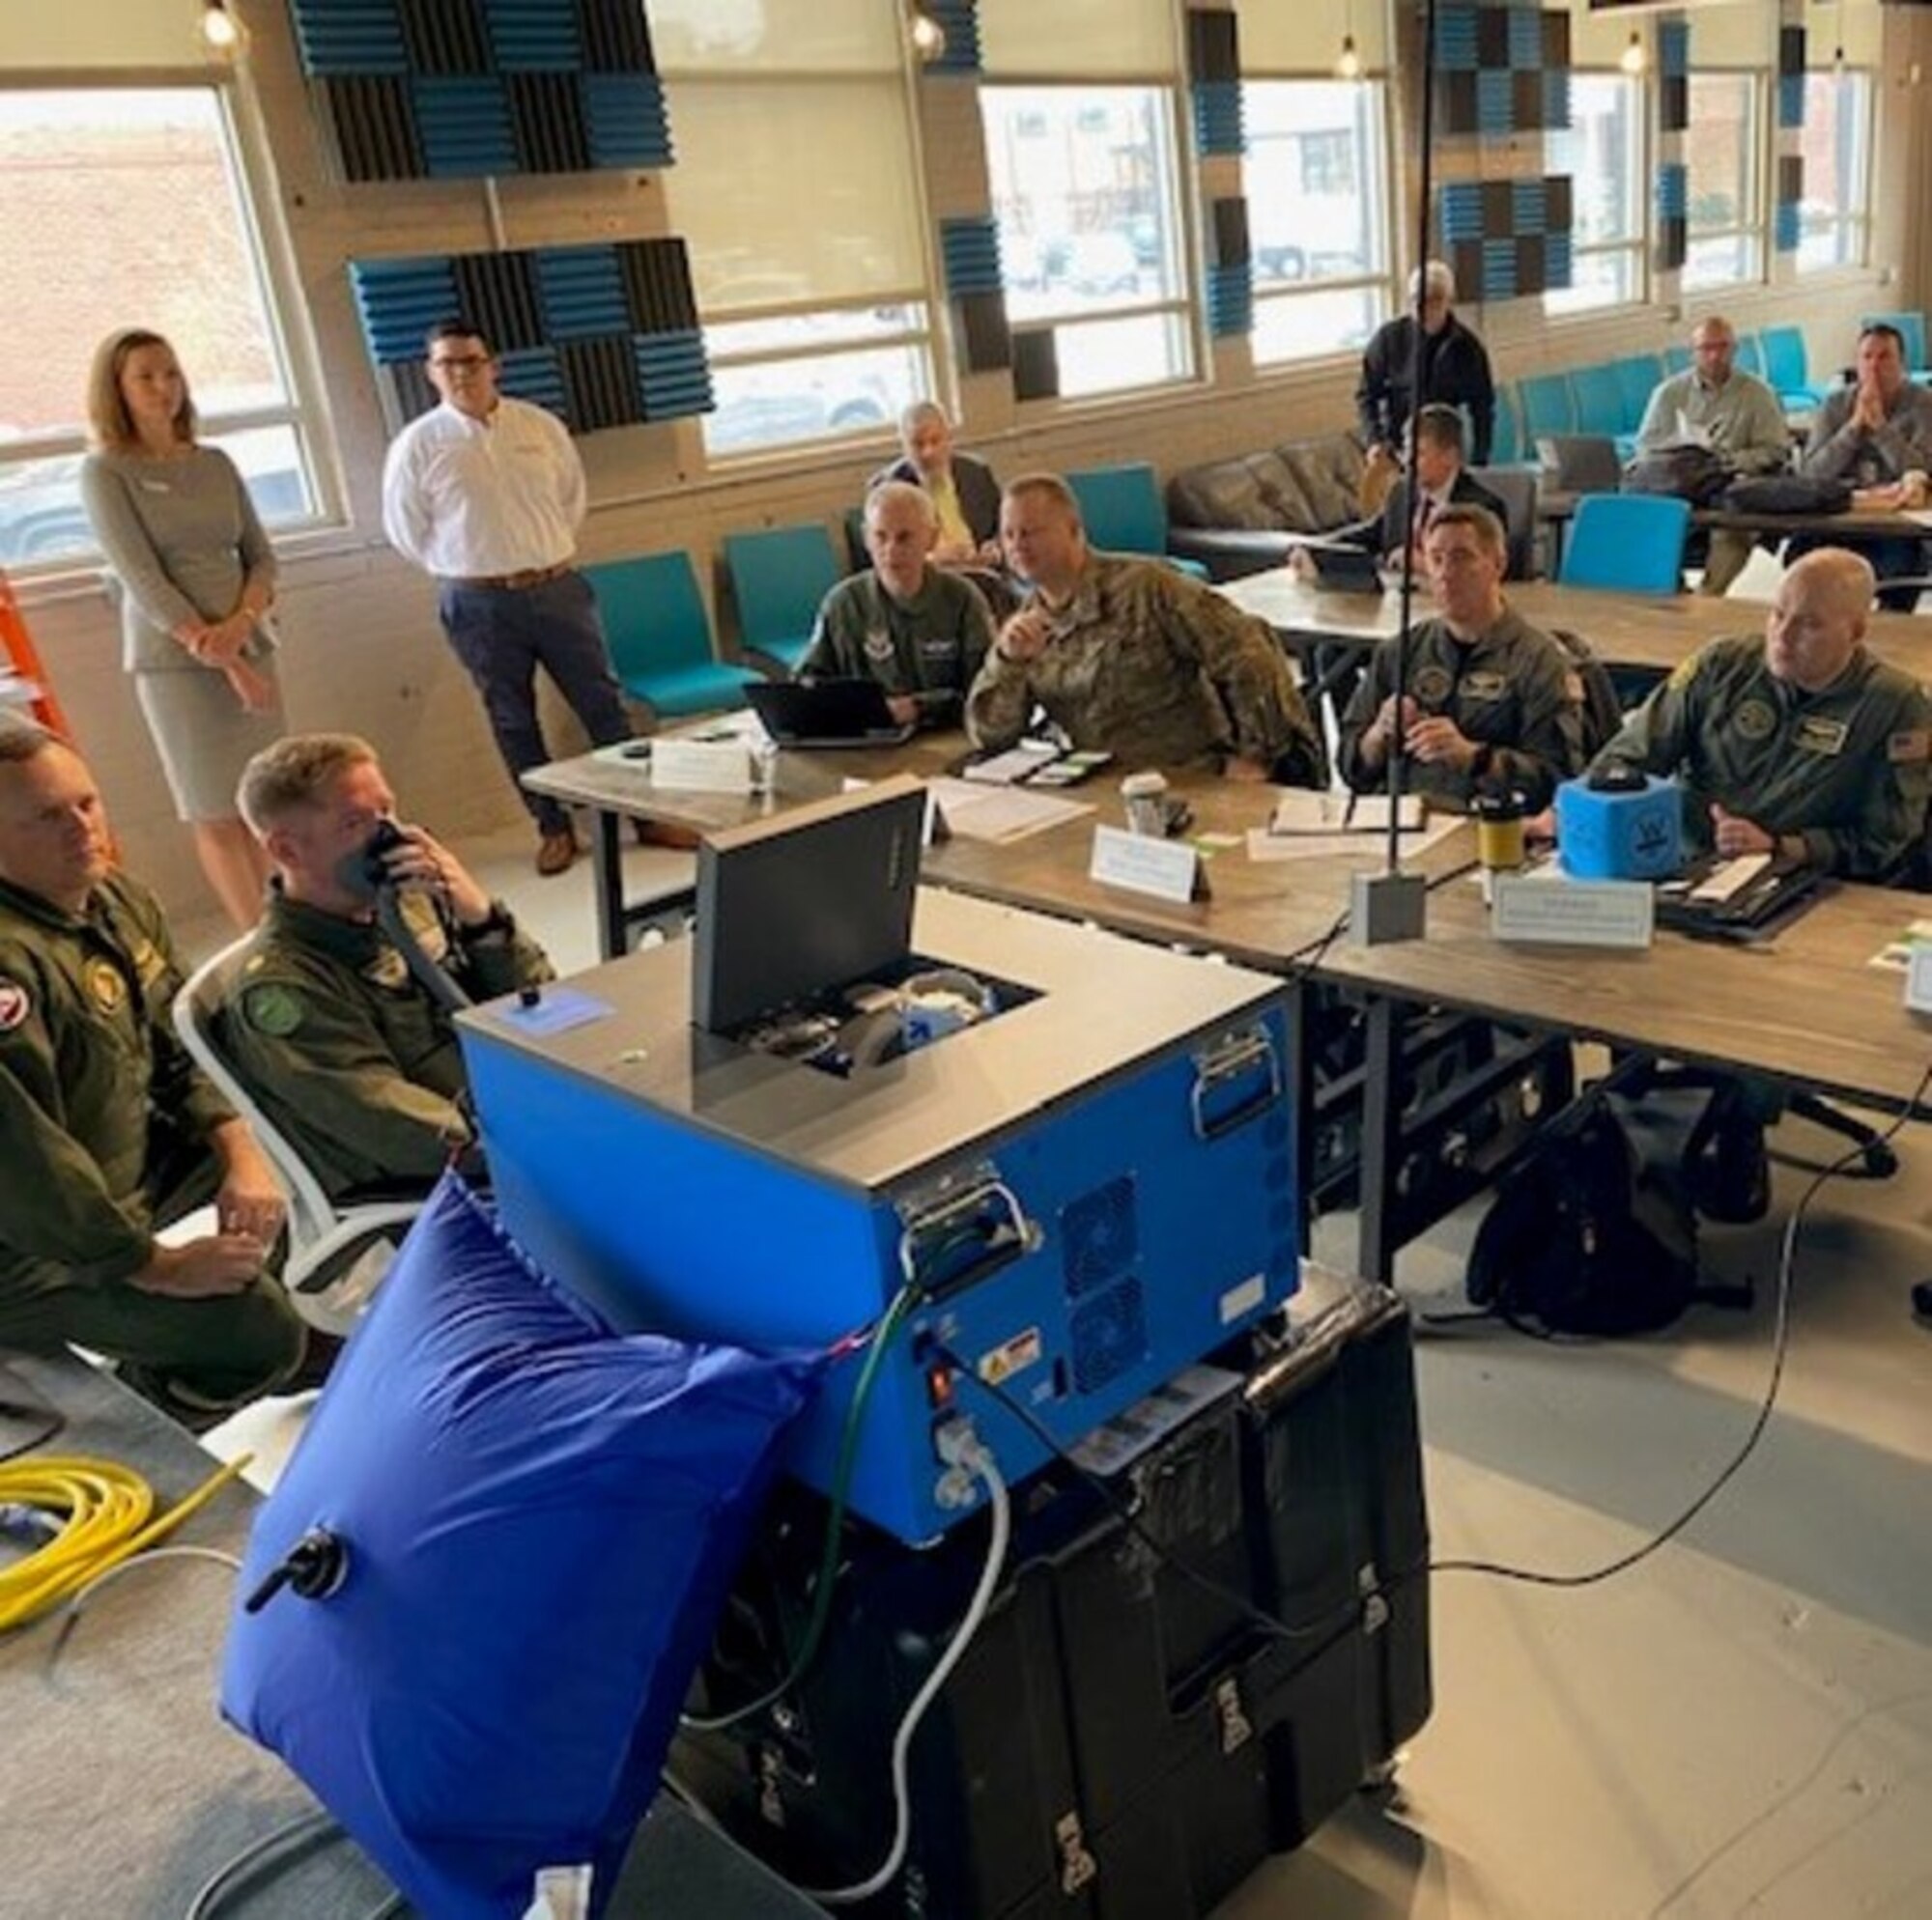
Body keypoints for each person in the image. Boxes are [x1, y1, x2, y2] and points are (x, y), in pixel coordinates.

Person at [0, 720, 306, 1426]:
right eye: (48, 816)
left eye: (87, 803)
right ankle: (127, 1433)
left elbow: (180, 1046)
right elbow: (27, 1166)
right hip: (25, 1240)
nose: (82, 828)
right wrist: (153, 1266)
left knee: (301, 1164)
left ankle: (285, 1356)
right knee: (252, 1329)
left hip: (123, 1171)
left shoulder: (112, 901)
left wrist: (241, 1151)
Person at [223, 733, 554, 1202]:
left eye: (388, 810)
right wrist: (544, 1147)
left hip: (521, 1116)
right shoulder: (286, 990)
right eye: (356, 823)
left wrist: (483, 922)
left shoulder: (407, 904)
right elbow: (401, 1131)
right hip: (476, 1183)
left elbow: (545, 1008)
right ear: (288, 852)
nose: (391, 836)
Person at [381, 319, 633, 877]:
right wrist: (469, 567)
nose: (461, 373)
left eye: (471, 361)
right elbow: (407, 530)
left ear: (494, 365)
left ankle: (644, 817)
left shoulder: (539, 427)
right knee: (513, 720)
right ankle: (553, 827)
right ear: (430, 373)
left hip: (558, 587)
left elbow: (570, 499)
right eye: (447, 364)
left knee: (603, 705)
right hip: (478, 604)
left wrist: (538, 556)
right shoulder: (418, 445)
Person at [79, 329, 284, 932]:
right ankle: (261, 942)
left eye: (171, 373)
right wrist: (224, 657)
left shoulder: (214, 462)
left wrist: (243, 625)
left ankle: (293, 924)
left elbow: (262, 558)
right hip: (177, 661)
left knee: (269, 805)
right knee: (216, 811)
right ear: (117, 388)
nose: (163, 387)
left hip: (249, 641)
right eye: (146, 376)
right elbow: (142, 576)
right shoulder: (105, 471)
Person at [1590, 548, 1932, 879]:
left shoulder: (1893, 705)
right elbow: (1631, 756)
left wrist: (1783, 847)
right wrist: (1585, 810)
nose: (1783, 636)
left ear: (1855, 632)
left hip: (1806, 880)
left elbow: (1886, 840)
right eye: (1778, 614)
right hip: (1686, 860)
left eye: (1810, 625)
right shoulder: (1722, 666)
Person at [966, 474, 1323, 783]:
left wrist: (1256, 758)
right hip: (1096, 783)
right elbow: (989, 735)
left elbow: (1245, 649)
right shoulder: (1027, 625)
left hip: (1188, 774)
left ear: (1074, 530)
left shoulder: (1146, 588)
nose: (1017, 546)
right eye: (1008, 535)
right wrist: (1007, 662)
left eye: (1031, 532)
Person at [1337, 505, 1583, 812]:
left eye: (1461, 557)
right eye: (1435, 559)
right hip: (1400, 822)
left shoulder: (1537, 660)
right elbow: (1349, 767)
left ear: (1498, 564)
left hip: (1489, 826)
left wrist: (1475, 758)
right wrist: (1378, 736)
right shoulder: (1399, 652)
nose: (1445, 573)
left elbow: (1560, 780)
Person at [798, 482, 995, 730]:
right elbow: (810, 681)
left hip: (944, 734)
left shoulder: (962, 598)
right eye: (880, 537)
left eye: (904, 538)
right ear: (866, 538)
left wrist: (919, 706)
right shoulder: (843, 603)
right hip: (870, 739)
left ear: (931, 538)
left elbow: (986, 692)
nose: (891, 550)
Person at [1634, 316, 1793, 596]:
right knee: (1650, 518)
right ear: (1692, 352)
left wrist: (1727, 461)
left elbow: (1775, 450)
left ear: (1735, 350)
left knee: (1729, 530)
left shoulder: (1758, 394)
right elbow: (1647, 447)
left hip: (1730, 485)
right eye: (1706, 348)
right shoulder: (1669, 393)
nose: (1715, 356)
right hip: (1678, 485)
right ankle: (1670, 592)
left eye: (1722, 347)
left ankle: (1708, 599)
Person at [1799, 324, 1932, 608]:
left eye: (1885, 357)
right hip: (1839, 519)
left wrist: (1881, 430)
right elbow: (1811, 472)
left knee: (1901, 570)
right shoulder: (1835, 404)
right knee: (1807, 566)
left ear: (1902, 363)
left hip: (1897, 527)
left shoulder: (1922, 403)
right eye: (1867, 357)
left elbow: (1922, 470)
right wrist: (1854, 428)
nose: (1874, 366)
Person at [1356, 262, 1496, 466]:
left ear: (1449, 301)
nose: (1422, 308)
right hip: (1396, 449)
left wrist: (1479, 460)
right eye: (1415, 299)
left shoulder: (1468, 347)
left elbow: (1482, 408)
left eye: (1433, 300)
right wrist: (1374, 440)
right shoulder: (1389, 338)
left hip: (1443, 451)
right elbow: (1366, 395)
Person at [1356, 405, 1508, 575]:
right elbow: (1373, 533)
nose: (1408, 462)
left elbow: (1488, 571)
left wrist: (1426, 564)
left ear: (1449, 456)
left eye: (1419, 453)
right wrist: (1325, 544)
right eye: (1405, 452)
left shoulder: (1481, 508)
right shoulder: (1400, 492)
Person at [870, 401, 1002, 567]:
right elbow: (883, 558)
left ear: (949, 438)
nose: (928, 453)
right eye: (918, 444)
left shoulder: (976, 472)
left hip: (983, 572)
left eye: (935, 440)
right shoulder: (887, 488)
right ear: (904, 446)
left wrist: (995, 548)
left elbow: (1003, 527)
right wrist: (930, 559)